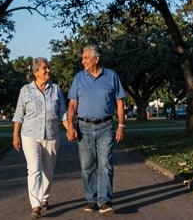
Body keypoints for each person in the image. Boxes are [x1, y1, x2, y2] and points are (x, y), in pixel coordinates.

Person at [66, 44, 126, 215]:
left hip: (106, 126)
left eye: (85, 58)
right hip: (83, 127)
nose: (82, 61)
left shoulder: (111, 76)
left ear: (96, 59)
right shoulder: (79, 78)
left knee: (106, 164)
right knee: (87, 166)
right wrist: (70, 125)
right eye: (83, 58)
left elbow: (120, 102)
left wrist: (121, 125)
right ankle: (91, 199)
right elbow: (72, 104)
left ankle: (104, 201)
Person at [12, 57, 68, 218]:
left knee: (48, 170)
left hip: (51, 134)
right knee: (34, 169)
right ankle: (35, 205)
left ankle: (44, 198)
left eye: (48, 67)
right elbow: (18, 114)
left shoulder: (55, 89)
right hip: (29, 135)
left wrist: (70, 129)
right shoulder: (25, 90)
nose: (48, 70)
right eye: (45, 68)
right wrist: (15, 135)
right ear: (36, 72)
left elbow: (62, 113)